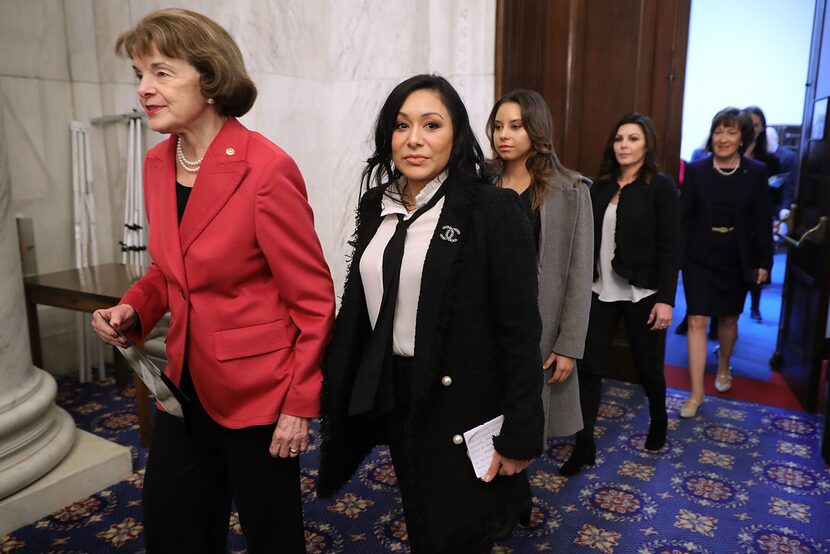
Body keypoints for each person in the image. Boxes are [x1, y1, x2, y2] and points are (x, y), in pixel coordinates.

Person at [90, 9, 335, 553]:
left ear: (210, 76)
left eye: (161, 72)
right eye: (138, 74)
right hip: (184, 382)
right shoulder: (157, 162)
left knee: (271, 534)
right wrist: (134, 307)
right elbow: (168, 267)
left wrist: (298, 403)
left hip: (259, 391)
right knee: (173, 524)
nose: (144, 89)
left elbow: (313, 300)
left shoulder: (265, 169)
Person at [318, 74, 544, 553]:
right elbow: (361, 299)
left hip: (461, 402)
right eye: (401, 126)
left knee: (459, 529)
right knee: (419, 511)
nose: (414, 139)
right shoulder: (377, 204)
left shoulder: (492, 209)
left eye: (431, 124)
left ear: (457, 135)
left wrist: (523, 430)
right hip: (396, 390)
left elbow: (521, 330)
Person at [560, 113, 680, 476]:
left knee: (646, 368)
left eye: (633, 139)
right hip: (599, 290)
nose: (624, 145)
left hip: (641, 291)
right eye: (619, 138)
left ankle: (659, 421)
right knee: (588, 369)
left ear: (647, 146)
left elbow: (671, 245)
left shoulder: (659, 187)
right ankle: (584, 445)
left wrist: (666, 298)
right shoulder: (599, 187)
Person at [486, 90, 593, 447]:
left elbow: (580, 275)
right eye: (498, 126)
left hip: (537, 324)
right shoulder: (480, 184)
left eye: (516, 126)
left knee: (525, 419)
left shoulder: (571, 190)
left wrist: (569, 345)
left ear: (536, 129)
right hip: (484, 319)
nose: (504, 135)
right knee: (482, 415)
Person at [680, 107, 773, 415]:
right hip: (699, 256)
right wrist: (676, 258)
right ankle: (696, 393)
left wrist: (765, 262)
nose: (723, 138)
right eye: (718, 131)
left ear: (742, 137)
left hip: (737, 256)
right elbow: (684, 218)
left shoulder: (756, 172)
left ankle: (723, 364)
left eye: (730, 132)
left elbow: (762, 220)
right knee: (696, 319)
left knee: (729, 319)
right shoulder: (697, 170)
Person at [743, 106, 781, 322]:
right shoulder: (730, 154)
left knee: (756, 267)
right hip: (732, 221)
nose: (752, 128)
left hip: (757, 221)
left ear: (762, 128)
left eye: (756, 124)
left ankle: (755, 307)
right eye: (748, 123)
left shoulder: (770, 160)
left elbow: (776, 193)